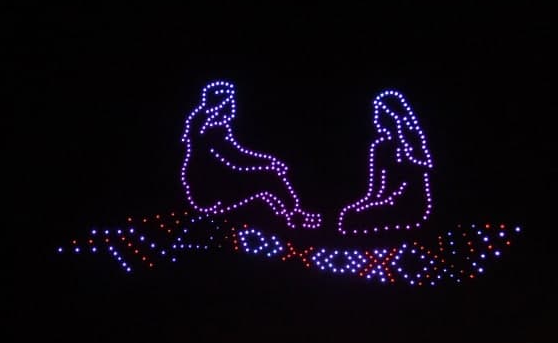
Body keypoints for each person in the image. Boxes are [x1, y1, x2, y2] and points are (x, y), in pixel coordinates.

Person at [181, 80, 321, 230]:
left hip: (206, 184)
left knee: (267, 185)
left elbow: (237, 155)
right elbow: (236, 158)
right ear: (221, 103)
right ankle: (295, 217)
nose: (231, 106)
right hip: (209, 190)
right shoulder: (210, 129)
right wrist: (269, 163)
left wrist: (268, 161)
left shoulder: (202, 123)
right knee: (269, 178)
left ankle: (287, 218)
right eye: (229, 101)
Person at [337, 90, 433, 236]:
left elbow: (416, 184)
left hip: (411, 204)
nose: (378, 118)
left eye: (382, 112)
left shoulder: (414, 147)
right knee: (349, 216)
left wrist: (391, 198)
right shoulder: (380, 147)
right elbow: (374, 192)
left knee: (361, 219)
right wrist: (367, 204)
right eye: (376, 112)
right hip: (385, 202)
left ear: (395, 117)